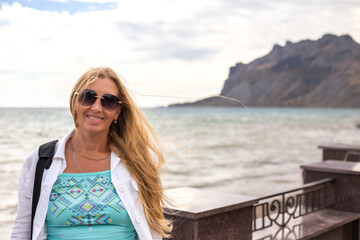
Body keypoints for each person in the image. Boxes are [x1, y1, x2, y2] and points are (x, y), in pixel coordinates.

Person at [11, 67, 172, 240]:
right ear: (74, 102)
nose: (96, 107)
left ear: (117, 111)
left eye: (108, 101)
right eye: (88, 97)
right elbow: (22, 229)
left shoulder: (137, 163)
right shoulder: (40, 160)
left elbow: (154, 229)